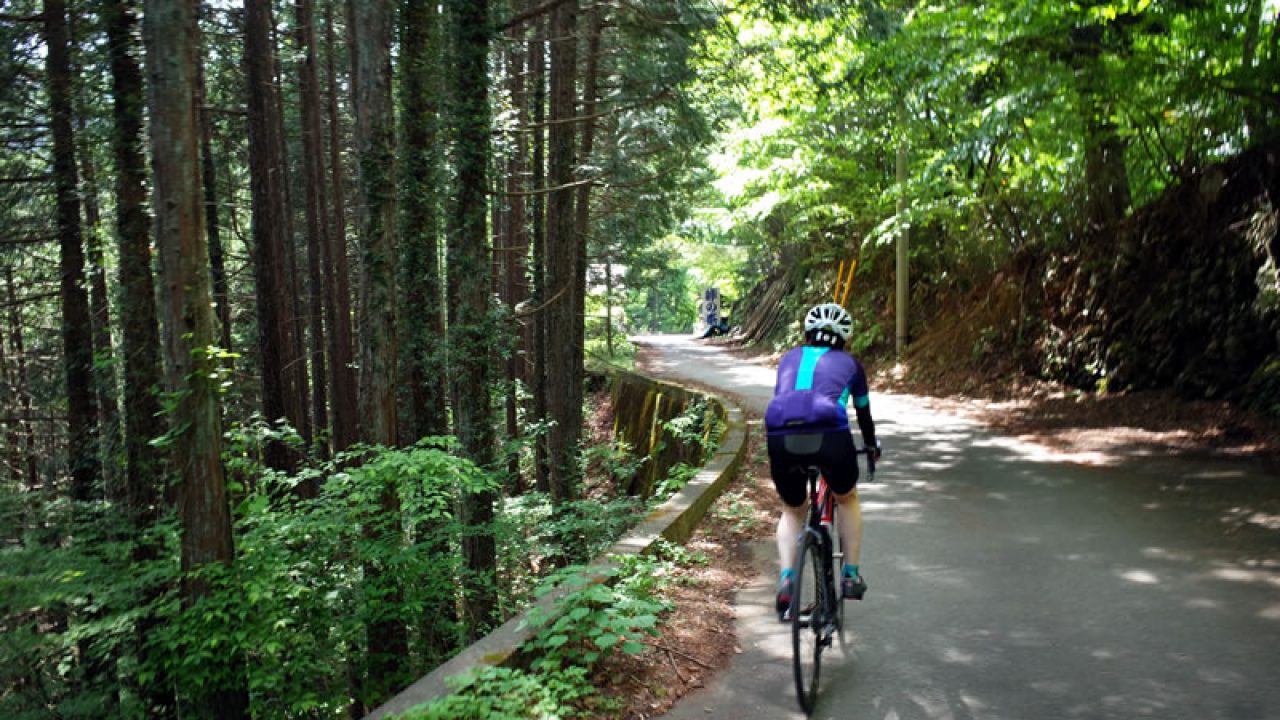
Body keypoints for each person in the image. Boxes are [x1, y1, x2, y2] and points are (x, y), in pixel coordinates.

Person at [764, 302, 881, 619]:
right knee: (847, 497)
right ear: (845, 337)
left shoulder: (788, 358)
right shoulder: (852, 365)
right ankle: (851, 575)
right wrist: (871, 445)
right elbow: (864, 414)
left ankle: (787, 578)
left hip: (779, 433)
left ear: (807, 332)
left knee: (792, 510)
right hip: (830, 434)